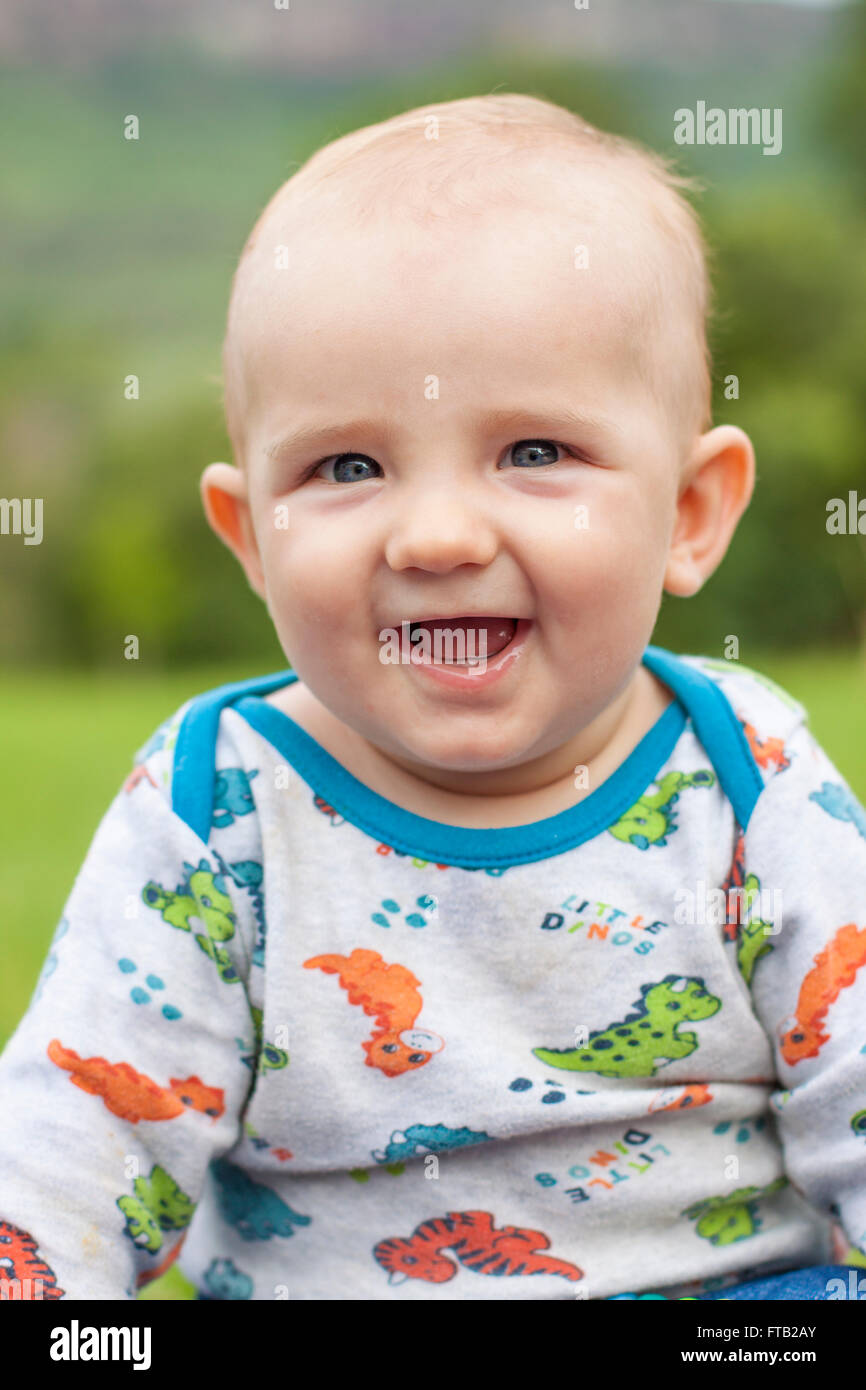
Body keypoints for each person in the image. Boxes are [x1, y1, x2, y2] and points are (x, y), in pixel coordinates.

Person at [1, 94, 864, 1302]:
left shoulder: (748, 778)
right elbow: (68, 1154)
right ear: (250, 538)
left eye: (532, 452)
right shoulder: (218, 810)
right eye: (345, 467)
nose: (439, 534)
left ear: (687, 513)